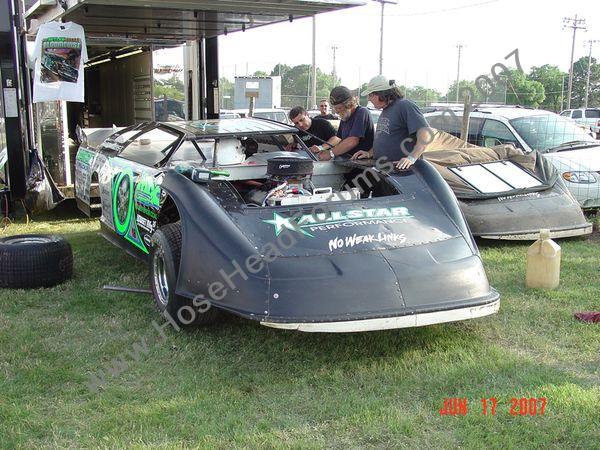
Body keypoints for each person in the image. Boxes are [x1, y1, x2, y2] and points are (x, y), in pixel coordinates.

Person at [352, 75, 432, 170]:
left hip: (403, 172)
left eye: (371, 95)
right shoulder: (385, 110)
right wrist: (369, 153)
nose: (369, 99)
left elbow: (426, 134)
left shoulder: (405, 106)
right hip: (385, 170)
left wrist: (411, 158)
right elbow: (386, 138)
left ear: (382, 94)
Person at [311, 86, 374, 161]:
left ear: (349, 104)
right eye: (335, 108)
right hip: (347, 161)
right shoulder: (345, 116)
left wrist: (331, 153)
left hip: (361, 163)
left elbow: (353, 140)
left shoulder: (362, 112)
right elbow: (339, 139)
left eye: (339, 108)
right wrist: (322, 148)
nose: (337, 111)